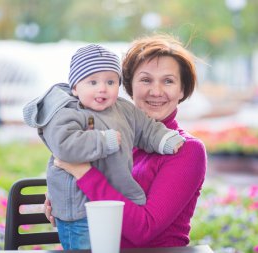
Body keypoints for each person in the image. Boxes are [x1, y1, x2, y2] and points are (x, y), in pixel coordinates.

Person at [47, 34, 207, 248]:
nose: (156, 91)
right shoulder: (112, 137)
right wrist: (66, 196)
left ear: (182, 90)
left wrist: (82, 173)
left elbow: (144, 230)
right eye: (146, 80)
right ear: (129, 86)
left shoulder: (186, 150)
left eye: (168, 81)